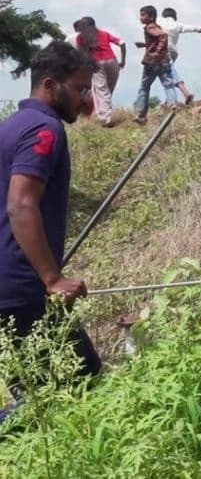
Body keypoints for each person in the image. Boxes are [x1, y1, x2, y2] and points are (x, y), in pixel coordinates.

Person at [0, 41, 102, 425]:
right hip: (23, 290)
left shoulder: (9, 127)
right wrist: (52, 279)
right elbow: (21, 204)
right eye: (79, 88)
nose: (85, 98)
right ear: (49, 85)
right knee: (69, 392)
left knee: (50, 393)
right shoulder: (44, 129)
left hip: (10, 288)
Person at [158, 7, 201, 105]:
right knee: (166, 72)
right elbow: (197, 28)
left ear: (163, 15)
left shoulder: (158, 20)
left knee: (168, 72)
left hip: (161, 49)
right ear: (175, 17)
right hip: (172, 51)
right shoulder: (177, 24)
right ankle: (171, 99)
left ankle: (183, 94)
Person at [71, 17, 125, 128]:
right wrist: (123, 60)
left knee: (101, 90)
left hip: (96, 63)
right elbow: (122, 43)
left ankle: (105, 118)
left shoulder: (81, 38)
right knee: (108, 89)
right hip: (112, 61)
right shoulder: (104, 33)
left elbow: (82, 55)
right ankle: (103, 114)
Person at [132, 5, 174, 125]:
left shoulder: (150, 27)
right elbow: (157, 40)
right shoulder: (155, 26)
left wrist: (157, 53)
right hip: (164, 61)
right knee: (168, 85)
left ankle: (141, 115)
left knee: (144, 87)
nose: (140, 17)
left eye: (143, 15)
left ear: (151, 17)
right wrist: (145, 45)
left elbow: (163, 36)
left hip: (152, 62)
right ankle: (173, 106)